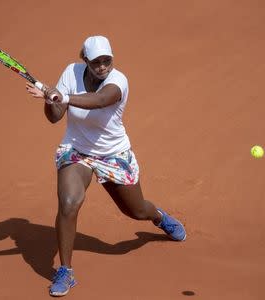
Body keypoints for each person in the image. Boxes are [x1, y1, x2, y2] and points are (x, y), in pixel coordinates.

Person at [26, 35, 186, 297]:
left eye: (107, 61)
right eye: (96, 62)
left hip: (113, 154)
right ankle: (66, 271)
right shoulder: (71, 72)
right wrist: (50, 100)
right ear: (85, 60)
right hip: (77, 150)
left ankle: (158, 217)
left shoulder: (117, 81)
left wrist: (62, 96)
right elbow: (54, 118)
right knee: (68, 202)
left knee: (135, 210)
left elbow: (99, 101)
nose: (102, 67)